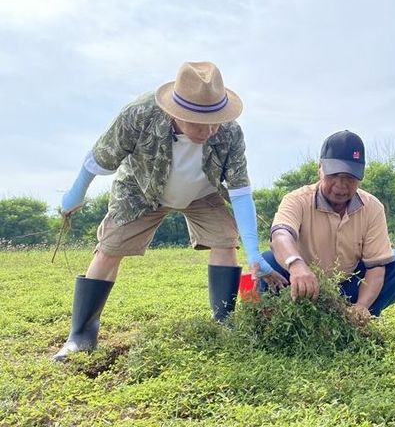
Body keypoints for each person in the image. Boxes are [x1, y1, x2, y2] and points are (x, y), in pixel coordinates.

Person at [53, 61, 286, 361]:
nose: (211, 130)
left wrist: (254, 252)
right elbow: (99, 157)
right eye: (201, 123)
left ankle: (223, 324)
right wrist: (74, 196)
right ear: (176, 112)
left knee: (225, 241)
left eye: (215, 120)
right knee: (109, 249)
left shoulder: (229, 132)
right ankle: (80, 336)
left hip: (204, 193)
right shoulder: (139, 114)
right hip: (141, 190)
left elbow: (240, 191)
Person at [258, 130, 395, 325]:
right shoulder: (296, 200)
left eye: (350, 178)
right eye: (334, 175)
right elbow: (281, 235)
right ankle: (282, 321)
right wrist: (297, 265)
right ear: (320, 169)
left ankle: (355, 319)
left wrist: (362, 305)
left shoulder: (372, 207)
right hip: (301, 285)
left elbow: (376, 267)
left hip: (348, 287)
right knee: (264, 262)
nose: (341, 185)